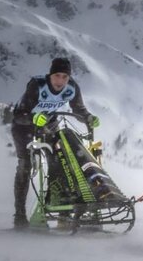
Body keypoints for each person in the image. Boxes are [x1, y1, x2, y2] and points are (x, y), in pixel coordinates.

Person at [11, 57, 100, 229]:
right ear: (50, 75)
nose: (61, 81)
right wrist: (33, 118)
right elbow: (18, 115)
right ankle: (20, 216)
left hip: (48, 126)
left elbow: (78, 109)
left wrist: (88, 118)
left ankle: (61, 213)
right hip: (25, 127)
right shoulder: (37, 85)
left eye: (65, 77)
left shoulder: (72, 88)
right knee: (25, 164)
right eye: (57, 76)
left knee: (61, 160)